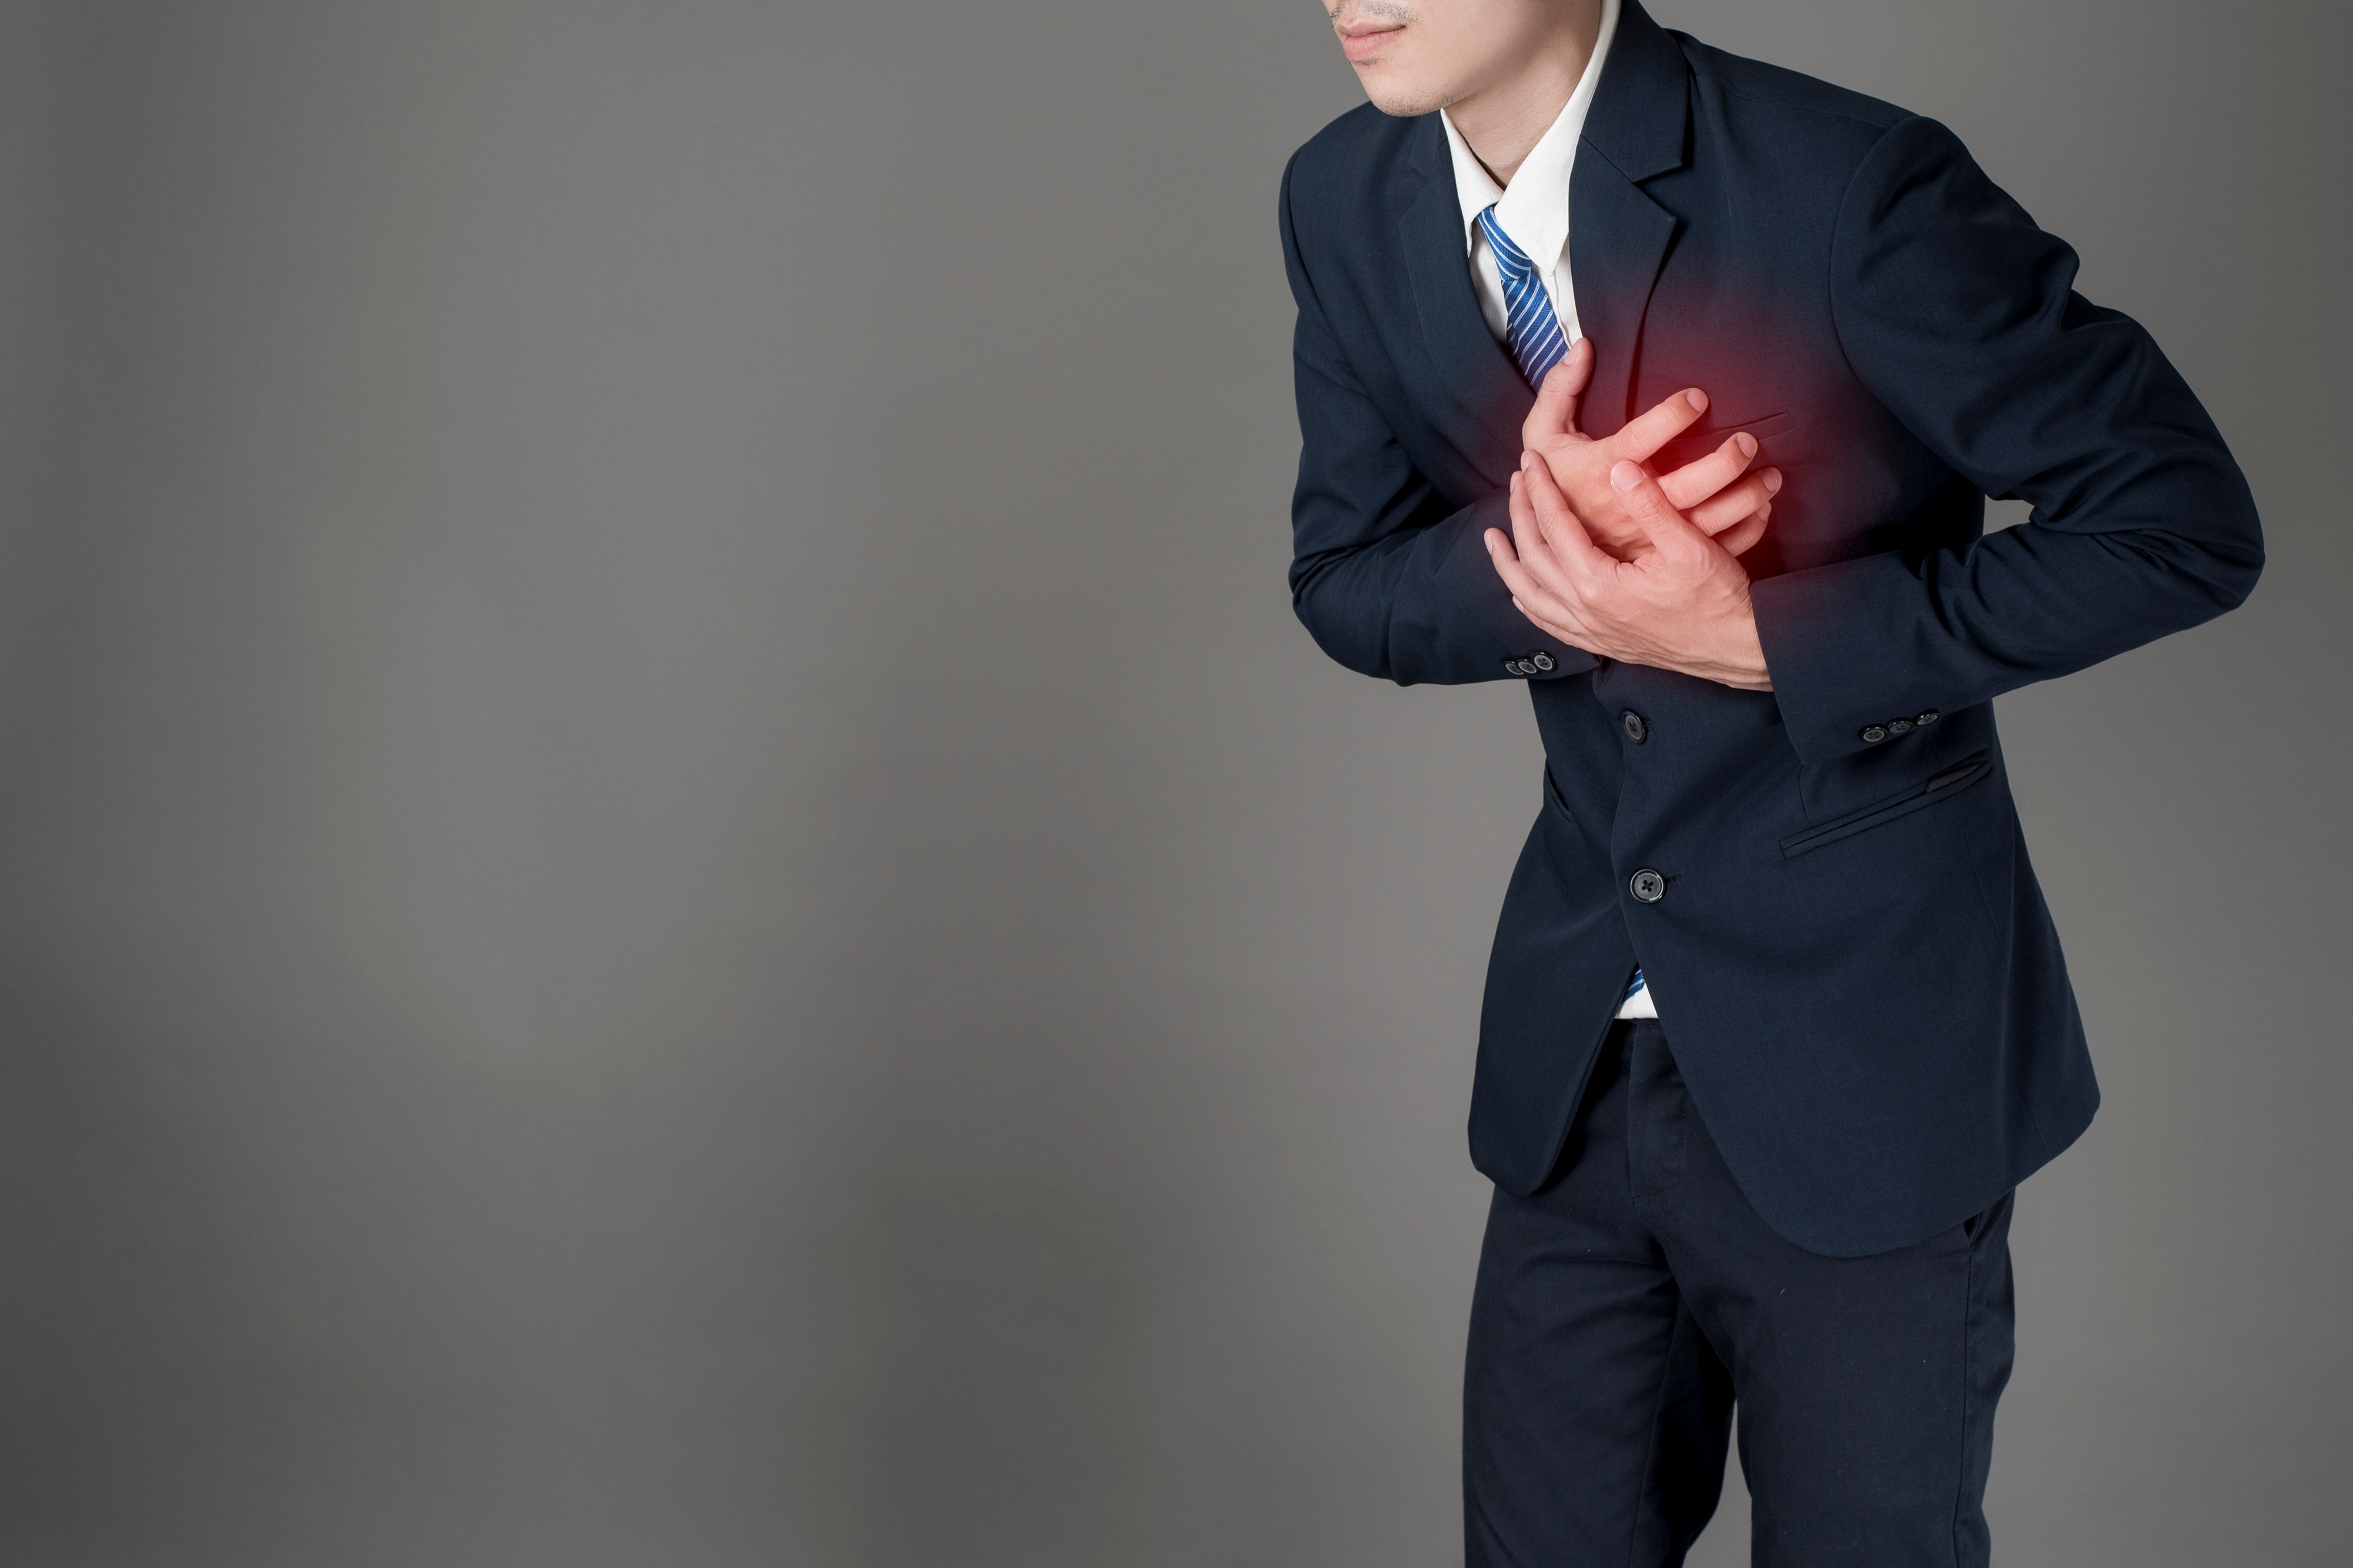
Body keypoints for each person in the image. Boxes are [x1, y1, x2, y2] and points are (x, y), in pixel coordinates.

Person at [1279, 1, 2262, 1562]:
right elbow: (1344, 577)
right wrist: (1543, 560)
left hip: (1868, 1060)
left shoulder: (1848, 187)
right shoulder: (1343, 201)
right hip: (1574, 1070)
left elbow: (2182, 522)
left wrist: (1765, 638)